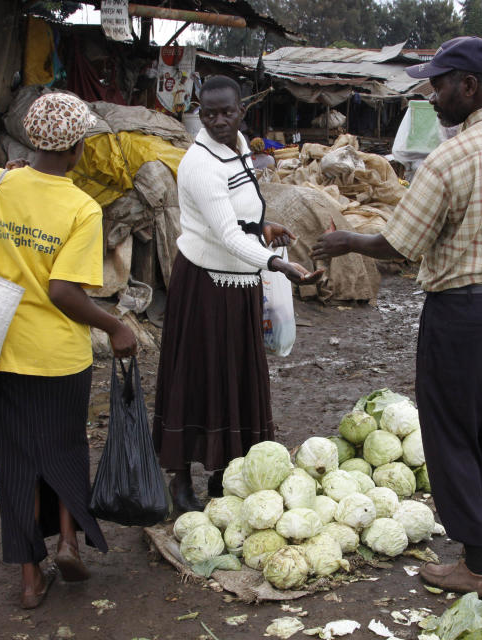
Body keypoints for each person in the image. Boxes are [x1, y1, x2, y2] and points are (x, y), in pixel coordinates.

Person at [311, 36, 482, 598]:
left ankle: (478, 566)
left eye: (438, 84)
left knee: (453, 434)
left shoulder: (449, 158)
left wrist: (348, 241)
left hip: (463, 314)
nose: (431, 95)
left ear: (468, 86)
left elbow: (402, 244)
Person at [0, 93, 138, 610]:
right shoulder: (82, 207)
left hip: (0, 352)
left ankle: (31, 581)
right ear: (77, 149)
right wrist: (114, 326)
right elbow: (64, 292)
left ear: (31, 140)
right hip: (60, 358)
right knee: (64, 449)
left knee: (15, 462)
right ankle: (70, 542)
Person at [153, 75, 323, 513]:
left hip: (241, 283)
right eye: (209, 114)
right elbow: (225, 234)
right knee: (198, 378)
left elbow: (238, 215)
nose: (219, 121)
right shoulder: (199, 163)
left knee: (232, 379)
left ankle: (222, 475)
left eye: (227, 112)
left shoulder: (241, 147)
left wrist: (263, 229)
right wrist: (279, 263)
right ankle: (179, 481)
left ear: (241, 110)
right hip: (205, 287)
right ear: (200, 113)